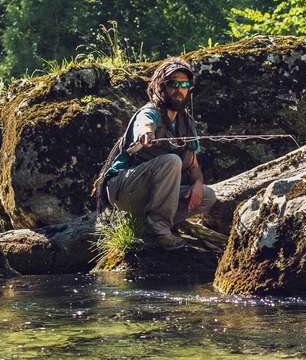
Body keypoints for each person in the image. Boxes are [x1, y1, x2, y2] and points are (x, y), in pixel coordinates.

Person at [92, 57, 217, 249]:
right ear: (161, 87)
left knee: (208, 195)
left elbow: (193, 166)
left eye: (184, 84)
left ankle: (148, 223)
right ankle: (160, 230)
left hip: (152, 194)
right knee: (172, 161)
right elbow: (145, 123)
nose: (179, 89)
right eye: (173, 83)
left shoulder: (187, 123)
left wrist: (198, 183)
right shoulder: (150, 112)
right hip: (123, 188)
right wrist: (146, 133)